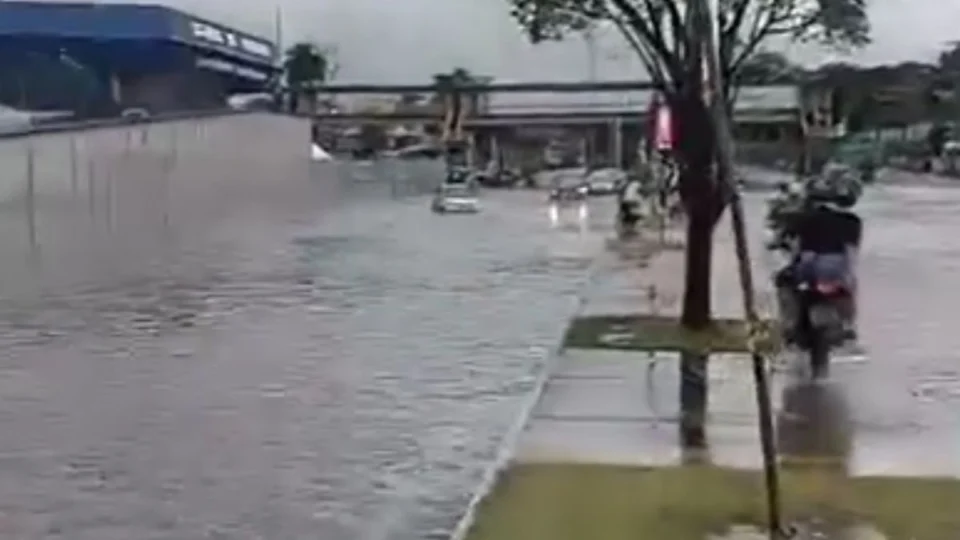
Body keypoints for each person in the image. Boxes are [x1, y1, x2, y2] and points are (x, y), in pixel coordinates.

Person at [776, 165, 863, 341]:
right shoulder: (853, 222)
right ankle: (848, 324)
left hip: (808, 266)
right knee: (849, 286)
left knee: (783, 281)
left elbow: (787, 239)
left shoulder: (805, 216)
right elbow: (851, 252)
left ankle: (790, 323)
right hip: (836, 269)